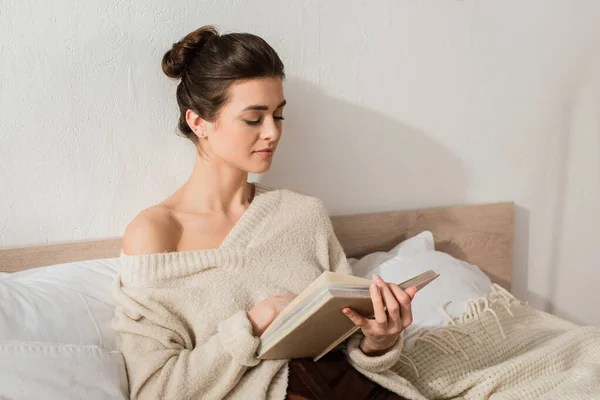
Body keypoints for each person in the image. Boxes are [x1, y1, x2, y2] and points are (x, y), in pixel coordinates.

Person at [111, 25, 416, 400]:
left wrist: (378, 341)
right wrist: (254, 323)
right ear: (198, 122)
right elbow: (155, 390)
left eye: (278, 115)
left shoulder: (303, 214)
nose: (272, 132)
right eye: (254, 119)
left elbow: (349, 346)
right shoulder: (156, 232)